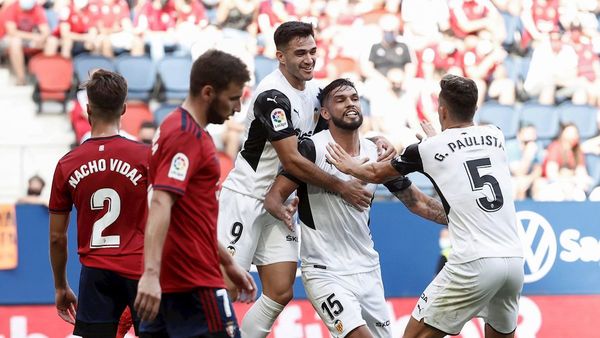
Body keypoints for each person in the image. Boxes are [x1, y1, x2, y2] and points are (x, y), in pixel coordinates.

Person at [216, 21, 395, 338]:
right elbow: (292, 159)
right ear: (280, 57)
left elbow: (337, 130)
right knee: (226, 287)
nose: (309, 59)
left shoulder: (315, 93)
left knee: (280, 291)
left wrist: (375, 138)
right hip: (245, 198)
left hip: (280, 202)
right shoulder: (272, 97)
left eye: (312, 51)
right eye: (300, 53)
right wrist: (342, 186)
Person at [326, 74, 524, 338]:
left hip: (473, 262)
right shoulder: (495, 135)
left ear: (441, 110)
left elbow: (374, 173)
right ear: (475, 109)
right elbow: (463, 156)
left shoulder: (428, 148)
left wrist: (348, 166)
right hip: (514, 261)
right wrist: (441, 140)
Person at [264, 79, 447, 338]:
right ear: (325, 113)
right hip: (324, 271)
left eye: (354, 98)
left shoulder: (377, 154)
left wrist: (461, 217)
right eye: (340, 100)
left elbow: (418, 202)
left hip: (367, 268)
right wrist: (282, 211)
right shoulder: (312, 148)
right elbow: (273, 196)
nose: (350, 104)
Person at [134, 49, 257, 338]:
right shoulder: (186, 135)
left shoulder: (172, 125)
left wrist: (227, 262)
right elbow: (162, 202)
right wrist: (150, 274)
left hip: (172, 283)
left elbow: (188, 215)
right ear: (208, 93)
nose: (238, 107)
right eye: (232, 97)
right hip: (193, 283)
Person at [48, 69, 148, 337]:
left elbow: (58, 237)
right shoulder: (146, 157)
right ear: (124, 108)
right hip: (141, 268)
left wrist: (60, 286)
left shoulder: (67, 164)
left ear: (88, 108)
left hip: (95, 274)